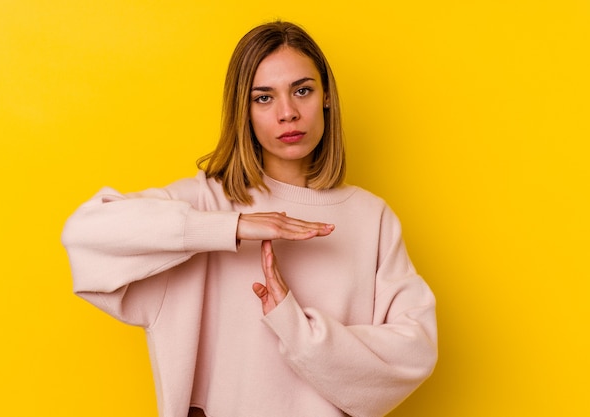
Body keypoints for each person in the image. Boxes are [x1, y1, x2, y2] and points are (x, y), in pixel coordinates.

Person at [62, 21, 437, 417]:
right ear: (243, 109)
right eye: (264, 98)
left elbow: (414, 353)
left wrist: (295, 327)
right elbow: (85, 234)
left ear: (326, 97)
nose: (288, 113)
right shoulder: (206, 201)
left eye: (302, 90)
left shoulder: (371, 217)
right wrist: (232, 227)